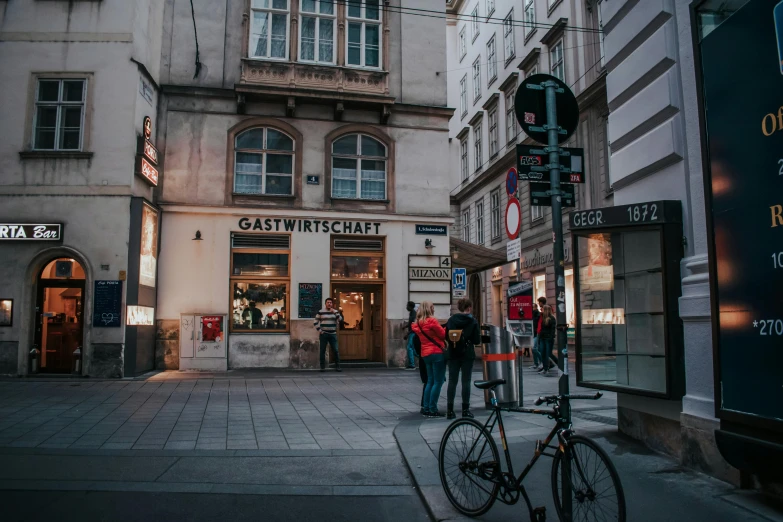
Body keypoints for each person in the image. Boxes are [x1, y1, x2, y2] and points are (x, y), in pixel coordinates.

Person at [445, 298, 481, 420]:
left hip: (453, 353)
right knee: (466, 382)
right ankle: (465, 410)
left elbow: (446, 336)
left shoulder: (451, 320)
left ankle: (450, 410)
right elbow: (477, 340)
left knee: (452, 381)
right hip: (467, 354)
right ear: (469, 307)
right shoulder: (473, 321)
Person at [411, 301, 447, 418]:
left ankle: (426, 408)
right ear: (429, 309)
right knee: (438, 381)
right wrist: (446, 328)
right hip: (436, 353)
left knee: (430, 381)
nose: (434, 309)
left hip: (425, 354)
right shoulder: (432, 321)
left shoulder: (419, 324)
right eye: (433, 307)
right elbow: (442, 335)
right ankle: (433, 408)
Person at [314, 298, 343, 372]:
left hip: (333, 334)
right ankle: (322, 367)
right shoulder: (321, 312)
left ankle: (338, 366)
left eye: (330, 302)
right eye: (328, 302)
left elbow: (340, 319)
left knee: (335, 350)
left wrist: (335, 313)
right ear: (325, 303)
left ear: (332, 304)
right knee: (322, 350)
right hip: (324, 334)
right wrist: (320, 330)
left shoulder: (335, 311)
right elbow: (315, 322)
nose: (329, 304)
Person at [538, 304, 557, 376]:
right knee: (543, 353)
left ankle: (558, 364)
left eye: (542, 309)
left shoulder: (552, 318)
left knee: (548, 354)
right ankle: (545, 368)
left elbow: (553, 329)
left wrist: (551, 337)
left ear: (545, 310)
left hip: (548, 338)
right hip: (543, 338)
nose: (541, 310)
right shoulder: (543, 318)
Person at [530, 298, 545, 370]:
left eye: (532, 307)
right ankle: (536, 363)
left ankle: (543, 362)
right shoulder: (533, 314)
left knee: (534, 348)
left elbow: (537, 324)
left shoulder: (538, 314)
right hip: (534, 333)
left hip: (536, 333)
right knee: (533, 349)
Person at [403, 301, 417, 370]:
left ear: (410, 307)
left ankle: (412, 364)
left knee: (410, 347)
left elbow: (414, 325)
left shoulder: (413, 314)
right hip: (412, 332)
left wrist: (407, 334)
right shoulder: (412, 313)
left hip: (413, 333)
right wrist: (405, 326)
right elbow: (410, 323)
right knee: (413, 349)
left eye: (407, 306)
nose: (406, 307)